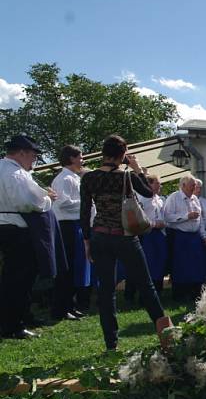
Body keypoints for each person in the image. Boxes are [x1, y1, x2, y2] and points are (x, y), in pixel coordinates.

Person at [79, 134, 170, 350]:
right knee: (146, 286)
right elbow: (149, 192)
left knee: (106, 291)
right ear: (123, 155)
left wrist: (86, 241)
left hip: (100, 235)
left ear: (103, 153)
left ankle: (111, 345)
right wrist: (137, 167)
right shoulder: (127, 177)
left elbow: (84, 212)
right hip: (125, 237)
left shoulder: (89, 178)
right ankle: (167, 338)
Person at [0, 134, 56, 339]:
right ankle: (13, 325)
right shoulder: (15, 174)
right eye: (32, 155)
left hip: (6, 227)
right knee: (19, 279)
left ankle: (20, 316)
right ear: (21, 153)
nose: (34, 160)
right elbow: (27, 203)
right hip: (17, 230)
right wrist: (47, 198)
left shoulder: (4, 169)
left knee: (13, 277)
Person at [51, 145, 90, 320]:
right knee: (66, 269)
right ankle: (60, 308)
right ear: (72, 158)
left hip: (75, 224)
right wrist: (85, 203)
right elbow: (62, 203)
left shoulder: (73, 178)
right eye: (80, 157)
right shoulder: (63, 179)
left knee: (74, 267)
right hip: (66, 226)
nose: (83, 160)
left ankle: (69, 305)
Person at [163, 175, 206, 301]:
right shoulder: (174, 197)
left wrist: (203, 235)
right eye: (192, 185)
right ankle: (180, 294)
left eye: (194, 185)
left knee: (196, 266)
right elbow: (167, 217)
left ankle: (196, 293)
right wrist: (186, 216)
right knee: (181, 266)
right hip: (180, 237)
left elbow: (200, 220)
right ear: (183, 185)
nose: (194, 187)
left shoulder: (195, 199)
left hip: (194, 237)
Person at [137, 174, 168, 294]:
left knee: (160, 261)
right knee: (149, 263)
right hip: (147, 233)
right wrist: (154, 224)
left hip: (159, 234)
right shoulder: (142, 198)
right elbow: (139, 217)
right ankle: (145, 293)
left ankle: (158, 290)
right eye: (157, 183)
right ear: (149, 184)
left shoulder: (159, 199)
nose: (160, 185)